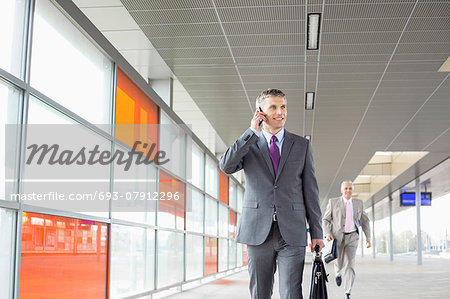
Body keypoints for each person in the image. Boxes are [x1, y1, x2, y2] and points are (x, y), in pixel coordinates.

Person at [220, 88, 324, 299]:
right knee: (260, 292)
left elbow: (310, 191)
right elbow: (226, 166)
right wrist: (251, 132)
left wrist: (317, 232)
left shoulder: (301, 145)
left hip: (292, 230)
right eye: (274, 107)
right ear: (260, 111)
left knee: (292, 292)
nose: (280, 112)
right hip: (257, 230)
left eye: (283, 107)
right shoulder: (249, 144)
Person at [322, 181, 371, 299]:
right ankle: (338, 273)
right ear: (341, 190)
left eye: (350, 188)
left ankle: (347, 292)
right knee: (339, 262)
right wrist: (328, 233)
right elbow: (325, 220)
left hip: (353, 237)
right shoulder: (333, 202)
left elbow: (365, 221)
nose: (348, 190)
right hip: (337, 237)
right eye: (346, 188)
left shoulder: (359, 203)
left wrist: (368, 237)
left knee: (350, 263)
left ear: (352, 190)